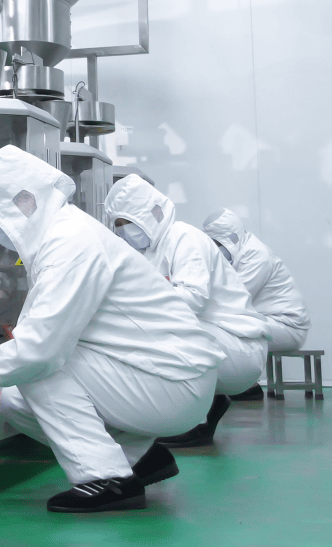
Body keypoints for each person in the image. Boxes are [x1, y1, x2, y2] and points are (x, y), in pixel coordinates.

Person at [0, 146, 222, 513]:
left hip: (176, 382)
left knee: (40, 369)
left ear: (20, 202)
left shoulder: (71, 241)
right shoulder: (61, 236)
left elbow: (39, 349)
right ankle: (138, 459)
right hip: (162, 375)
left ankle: (107, 478)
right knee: (15, 399)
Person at [104, 175, 270, 448]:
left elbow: (193, 299)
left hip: (240, 347)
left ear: (150, 214)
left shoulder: (183, 236)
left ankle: (194, 420)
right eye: (118, 225)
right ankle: (206, 407)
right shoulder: (146, 253)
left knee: (159, 334)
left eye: (128, 223)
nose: (124, 232)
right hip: (219, 346)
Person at [204, 208, 309, 354]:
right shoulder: (239, 254)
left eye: (217, 244)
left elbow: (232, 300)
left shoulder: (257, 255)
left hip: (287, 327)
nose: (215, 250)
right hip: (266, 321)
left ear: (230, 239)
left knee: (218, 330)